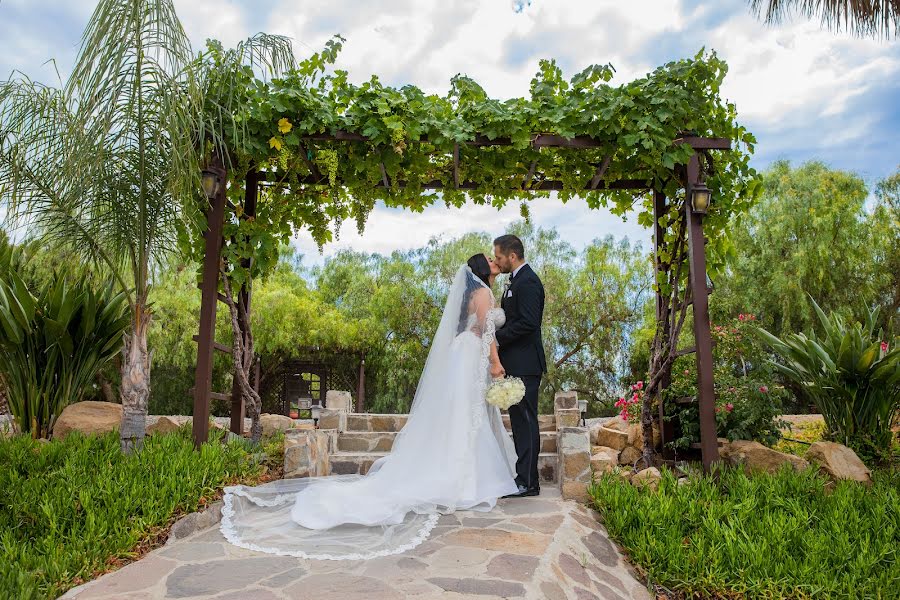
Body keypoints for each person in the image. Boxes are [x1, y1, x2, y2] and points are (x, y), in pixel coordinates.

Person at [219, 254, 519, 560]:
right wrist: (496, 364)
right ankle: (463, 480)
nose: (495, 262)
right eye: (491, 261)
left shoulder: (473, 293)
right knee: (464, 417)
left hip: (464, 356)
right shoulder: (483, 293)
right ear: (482, 269)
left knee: (462, 416)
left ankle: (460, 474)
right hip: (470, 355)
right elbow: (486, 331)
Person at [493, 234, 547, 498]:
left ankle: (529, 482)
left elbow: (528, 323)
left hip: (526, 364)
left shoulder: (528, 282)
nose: (498, 261)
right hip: (516, 363)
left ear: (512, 256)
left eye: (500, 257)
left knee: (526, 422)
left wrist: (496, 338)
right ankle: (522, 477)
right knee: (519, 422)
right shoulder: (515, 281)